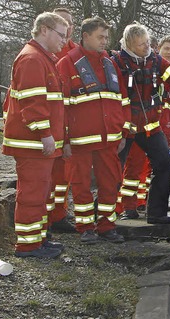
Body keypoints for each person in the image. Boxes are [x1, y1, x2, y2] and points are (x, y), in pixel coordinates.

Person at [1, 12, 68, 258]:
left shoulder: (42, 58)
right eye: (61, 34)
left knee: (41, 193)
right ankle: (28, 246)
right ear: (44, 30)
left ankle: (37, 239)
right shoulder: (32, 59)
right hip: (32, 143)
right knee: (32, 193)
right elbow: (33, 103)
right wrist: (45, 133)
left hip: (36, 143)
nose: (64, 40)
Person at [56, 16, 128, 244]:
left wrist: (123, 132)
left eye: (106, 37)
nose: (105, 41)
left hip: (109, 139)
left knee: (111, 183)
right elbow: (60, 107)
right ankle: (86, 227)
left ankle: (107, 226)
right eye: (100, 37)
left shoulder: (110, 63)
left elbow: (123, 100)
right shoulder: (66, 64)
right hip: (80, 141)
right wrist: (65, 140)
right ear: (85, 36)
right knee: (81, 186)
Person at [112, 23, 170, 224]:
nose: (147, 47)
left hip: (151, 125)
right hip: (126, 125)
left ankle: (156, 213)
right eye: (141, 44)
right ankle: (107, 214)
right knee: (113, 169)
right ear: (129, 44)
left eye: (147, 42)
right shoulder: (117, 61)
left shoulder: (154, 59)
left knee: (163, 165)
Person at [48, 7, 80, 233]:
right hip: (47, 122)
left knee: (64, 175)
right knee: (44, 176)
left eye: (69, 23)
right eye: (61, 23)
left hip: (69, 123)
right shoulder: (42, 51)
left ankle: (59, 215)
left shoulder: (76, 53)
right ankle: (43, 218)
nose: (66, 28)